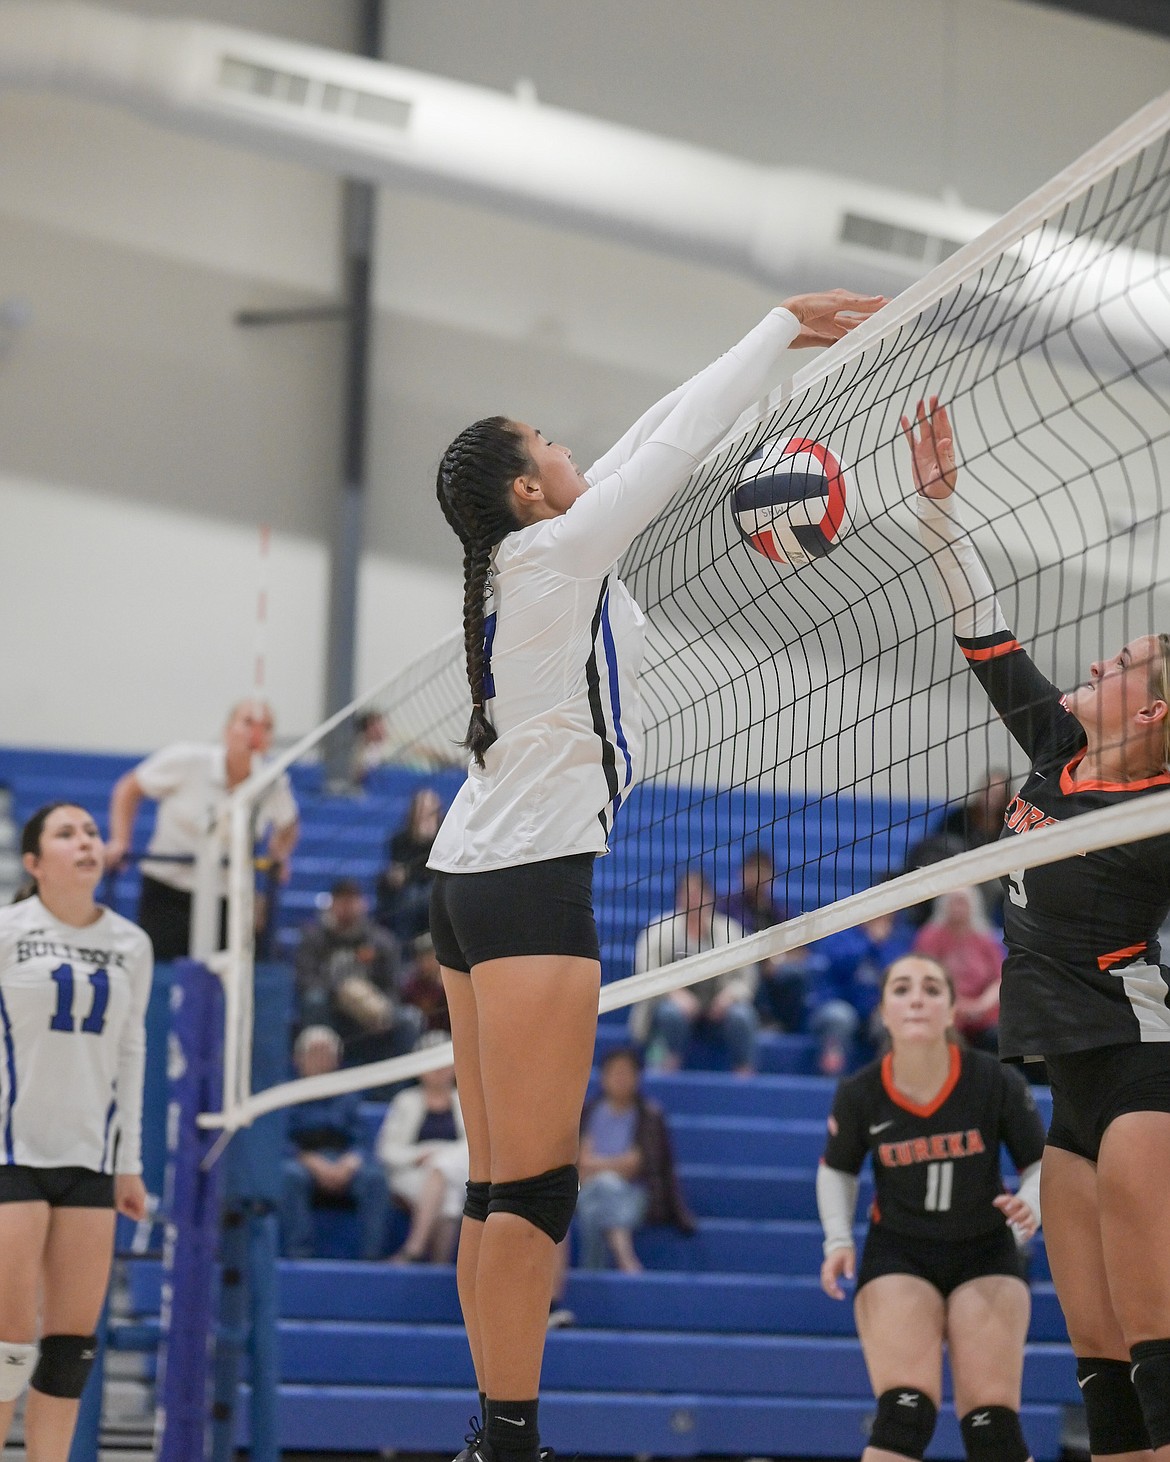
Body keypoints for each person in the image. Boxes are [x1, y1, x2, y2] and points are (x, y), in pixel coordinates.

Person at [425, 287, 886, 1462]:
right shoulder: (555, 551)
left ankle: (496, 1432)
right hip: (526, 880)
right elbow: (670, 450)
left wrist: (777, 351)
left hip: (470, 881)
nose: (575, 449)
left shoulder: (521, 561)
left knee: (496, 1186)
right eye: (551, 445)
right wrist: (780, 324)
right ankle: (513, 1440)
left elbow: (649, 440)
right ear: (530, 487)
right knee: (531, 1187)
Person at [903, 395, 1170, 1462]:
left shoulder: (1158, 814)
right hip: (1068, 1079)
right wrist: (939, 516)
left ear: (1150, 713)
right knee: (1100, 1366)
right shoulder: (1055, 749)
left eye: (1124, 665)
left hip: (1142, 1069)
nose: (1099, 662)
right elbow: (980, 629)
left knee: (1158, 1354)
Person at [818, 955, 1045, 1462]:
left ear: (951, 1010)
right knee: (904, 1415)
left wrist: (1032, 1204)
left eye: (930, 988)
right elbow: (837, 1169)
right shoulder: (861, 1092)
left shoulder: (995, 1081)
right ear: (883, 1013)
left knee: (994, 1432)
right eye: (901, 988)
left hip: (986, 1251)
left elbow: (1040, 1165)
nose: (916, 997)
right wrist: (837, 1240)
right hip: (900, 1252)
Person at [0, 804, 151, 1461]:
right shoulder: (8, 931)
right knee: (8, 1345)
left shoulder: (130, 943)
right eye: (67, 834)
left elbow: (131, 1054)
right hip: (13, 1150)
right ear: (33, 863)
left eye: (91, 832)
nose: (85, 841)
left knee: (70, 1349)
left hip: (92, 1156)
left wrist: (131, 1163)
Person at [105, 699, 300, 960]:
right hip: (167, 890)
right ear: (227, 730)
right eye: (248, 722)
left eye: (266, 727)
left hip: (227, 898)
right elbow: (129, 788)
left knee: (221, 982)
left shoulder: (273, 782)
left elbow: (288, 824)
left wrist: (279, 854)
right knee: (160, 977)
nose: (255, 733)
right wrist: (120, 840)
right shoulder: (186, 759)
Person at [629, 869, 761, 1074]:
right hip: (673, 1010)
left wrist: (730, 996)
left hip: (718, 1010)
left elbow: (747, 977)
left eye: (699, 893)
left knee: (742, 1015)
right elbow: (646, 973)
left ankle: (744, 1073)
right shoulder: (659, 930)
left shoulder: (730, 930)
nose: (693, 899)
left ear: (710, 896)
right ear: (679, 897)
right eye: (687, 893)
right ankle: (669, 1066)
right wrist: (674, 993)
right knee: (670, 1013)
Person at [576, 1046, 693, 1271]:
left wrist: (597, 1166)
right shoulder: (589, 1112)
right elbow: (581, 1163)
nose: (620, 1079)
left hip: (633, 1194)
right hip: (590, 1189)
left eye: (626, 1073)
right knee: (600, 1191)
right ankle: (624, 1255)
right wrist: (615, 1166)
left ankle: (591, 1272)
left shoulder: (649, 1116)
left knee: (598, 1200)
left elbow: (637, 1165)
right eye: (615, 1072)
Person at [279, 1026, 390, 1262]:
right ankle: (299, 1256)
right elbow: (279, 1139)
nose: (321, 1061)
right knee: (289, 1176)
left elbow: (361, 1138)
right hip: (302, 1161)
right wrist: (309, 1161)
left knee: (375, 1179)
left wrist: (351, 1161)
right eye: (314, 1054)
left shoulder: (348, 1096)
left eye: (327, 1054)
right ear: (298, 1059)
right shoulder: (284, 1095)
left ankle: (370, 1258)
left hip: (342, 1159)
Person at [294, 878, 423, 1061]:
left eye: (352, 901)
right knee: (314, 1000)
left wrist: (376, 1004)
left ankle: (396, 1080)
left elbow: (392, 985)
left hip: (371, 1007)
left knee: (409, 1018)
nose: (347, 907)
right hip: (331, 1008)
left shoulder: (381, 940)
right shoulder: (313, 938)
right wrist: (339, 992)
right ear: (332, 903)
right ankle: (317, 1073)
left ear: (362, 904)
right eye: (342, 900)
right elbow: (305, 978)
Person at [376, 1032, 468, 1264]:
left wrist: (440, 1156)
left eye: (444, 1062)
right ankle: (438, 1267)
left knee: (443, 1170)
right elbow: (387, 1150)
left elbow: (473, 1146)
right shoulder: (405, 1101)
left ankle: (414, 1250)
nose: (438, 1069)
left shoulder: (467, 1100)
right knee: (449, 1199)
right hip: (413, 1172)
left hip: (460, 1171)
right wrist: (421, 1155)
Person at [913, 887, 1004, 1052]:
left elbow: (999, 979)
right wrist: (957, 1005)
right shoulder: (929, 937)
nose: (958, 907)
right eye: (954, 901)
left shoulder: (987, 939)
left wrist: (981, 1005)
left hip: (984, 1013)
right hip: (943, 1010)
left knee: (999, 1036)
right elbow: (924, 979)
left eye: (963, 902)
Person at [375, 787, 443, 942]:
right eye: (421, 810)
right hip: (408, 888)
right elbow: (398, 866)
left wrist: (428, 840)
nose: (425, 815)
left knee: (419, 898)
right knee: (407, 899)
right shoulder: (400, 838)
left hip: (434, 887)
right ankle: (403, 946)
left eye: (430, 810)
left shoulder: (444, 837)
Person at [401, 934, 452, 1033]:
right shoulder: (412, 984)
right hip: (424, 1036)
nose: (427, 963)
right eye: (422, 958)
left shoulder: (451, 976)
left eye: (430, 957)